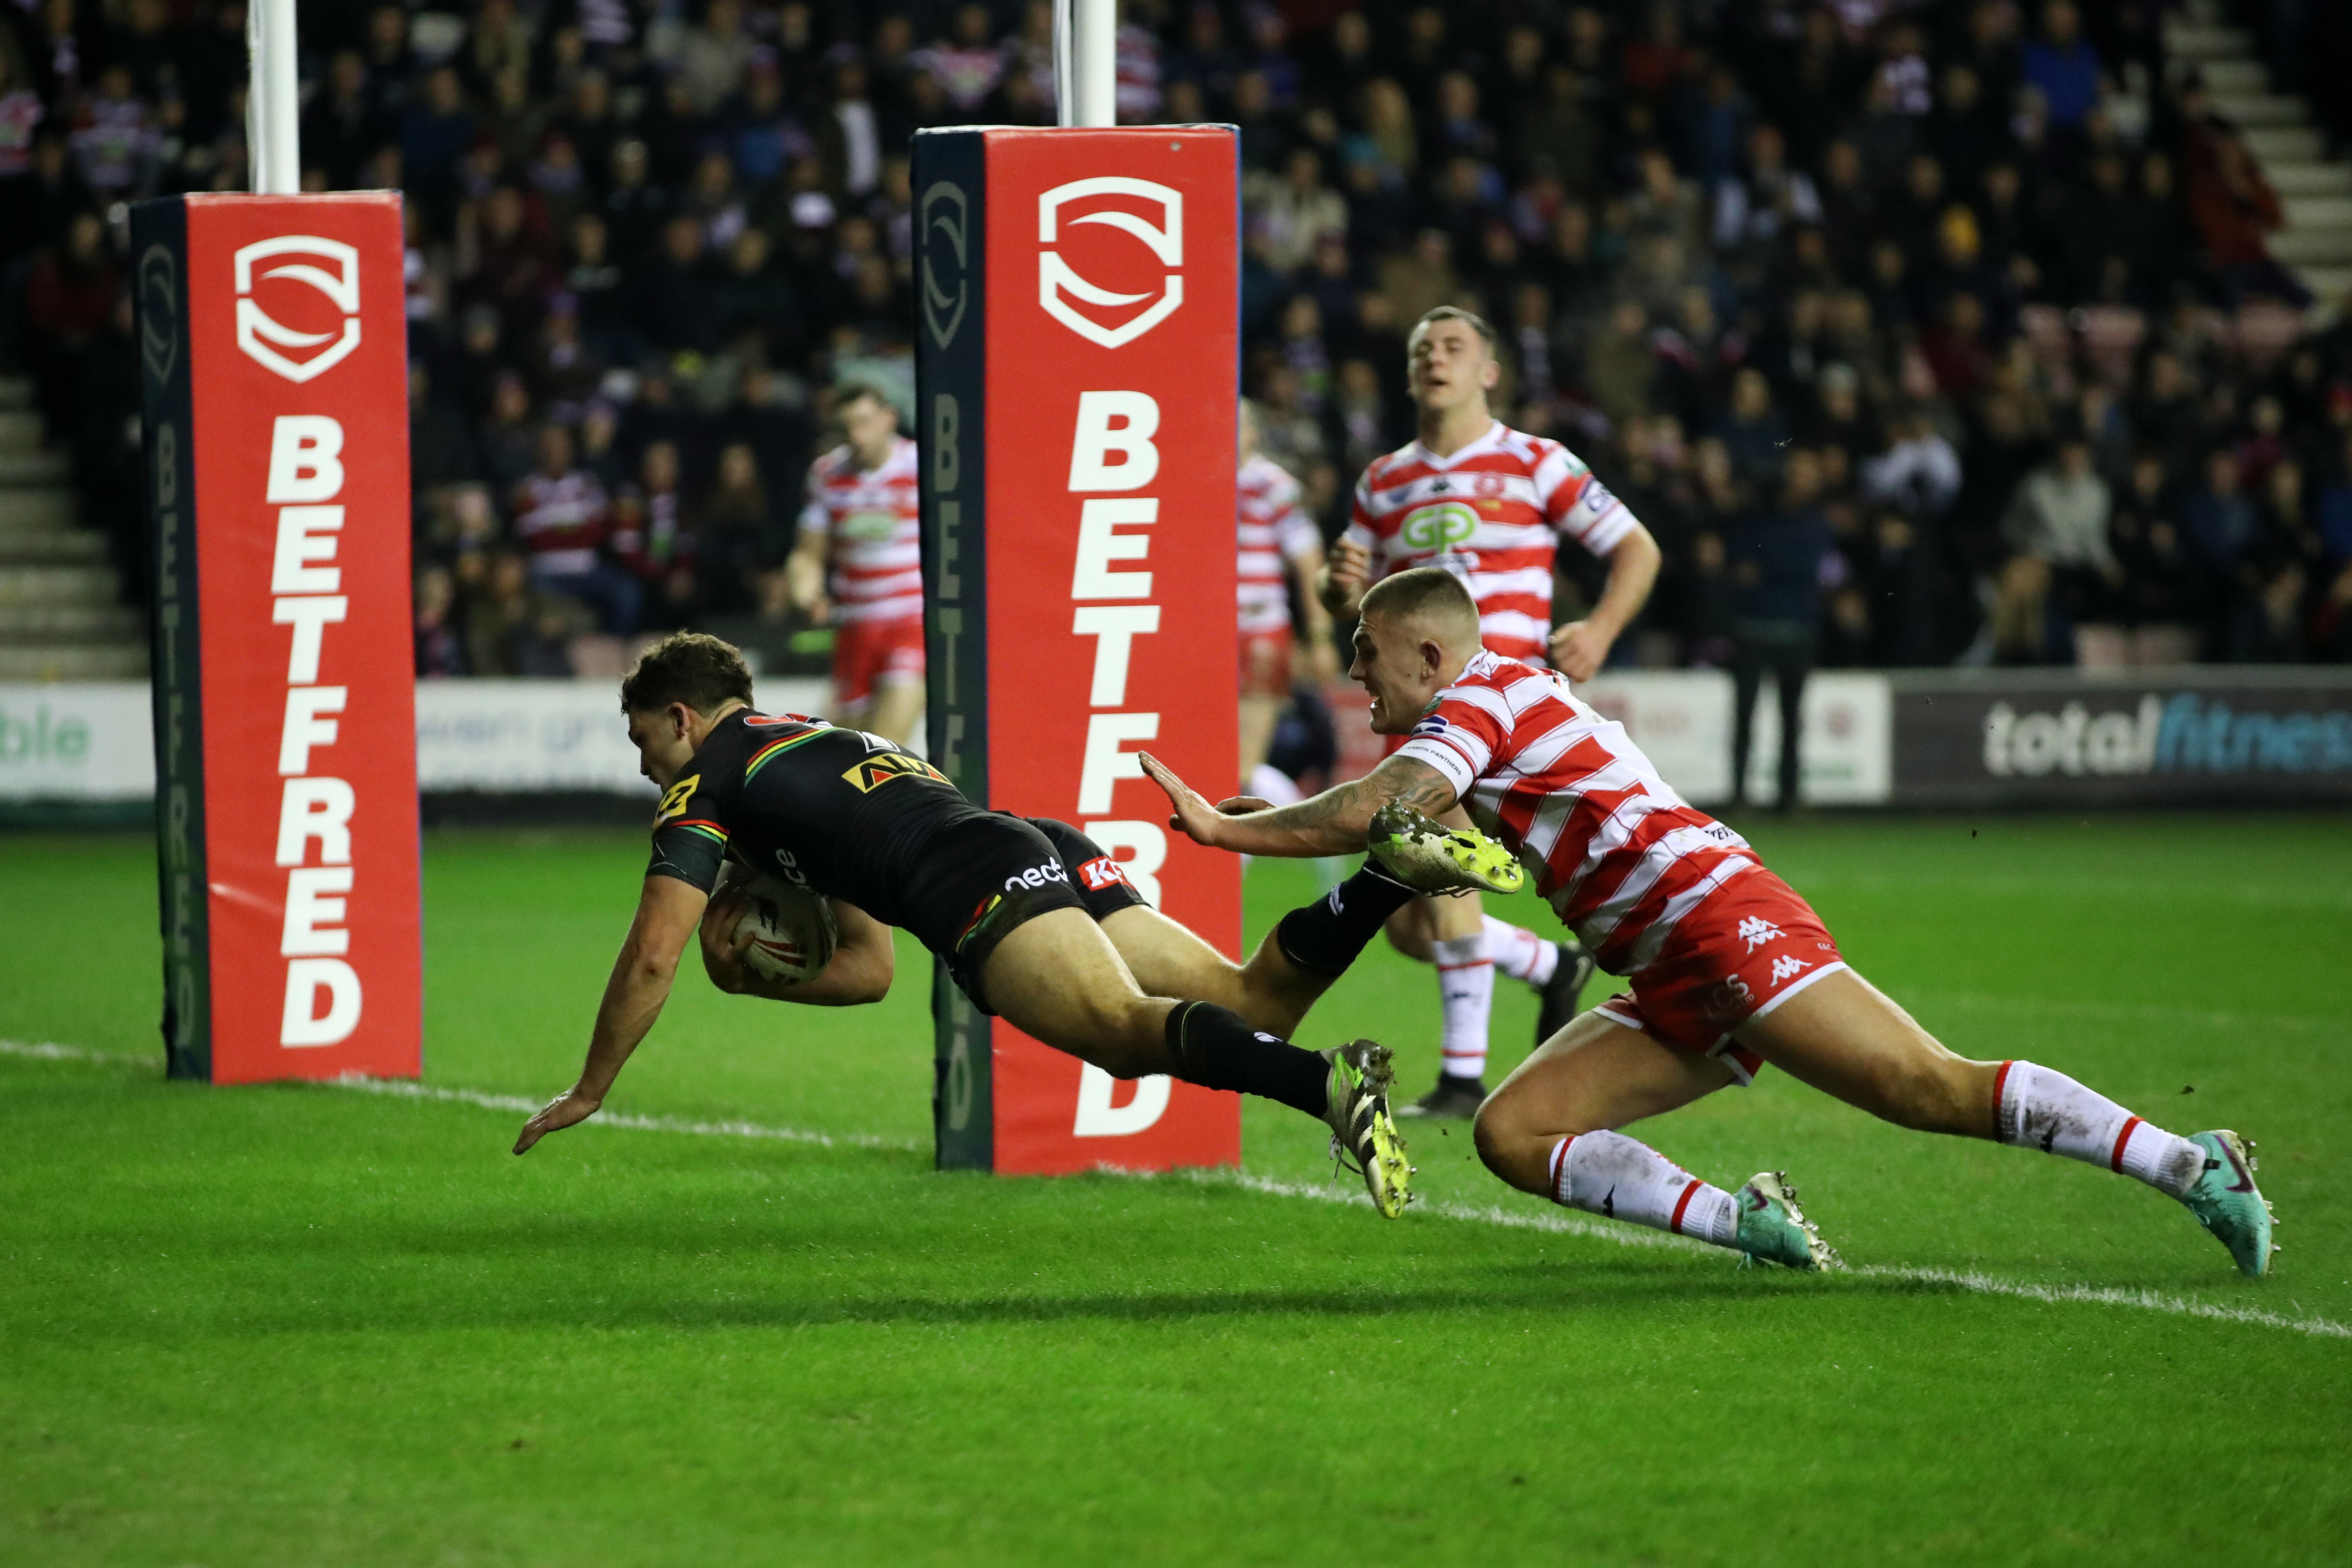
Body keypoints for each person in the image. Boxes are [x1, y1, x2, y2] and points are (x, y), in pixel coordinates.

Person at [1142, 567, 2275, 1278]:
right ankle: (1753, 1225)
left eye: (1368, 660)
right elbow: (1390, 815)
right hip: (1665, 961)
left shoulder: (1479, 695)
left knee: (1924, 1087)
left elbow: (1387, 805)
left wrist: (1227, 828)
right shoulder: (1491, 705)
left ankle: (2195, 1162)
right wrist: (1290, 816)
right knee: (1513, 1134)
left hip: (1716, 919)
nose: (1357, 680)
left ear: (1431, 654)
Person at [511, 633, 1414, 1219]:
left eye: (645, 744)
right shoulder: (812, 751)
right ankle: (1386, 874)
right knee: (1251, 1003)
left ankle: (1329, 1089)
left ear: (681, 718)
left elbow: (650, 955)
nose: (645, 770)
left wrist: (591, 1085)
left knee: (1126, 1035)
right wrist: (755, 971)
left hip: (972, 881)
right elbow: (870, 970)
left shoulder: (704, 781)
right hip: (1031, 840)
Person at [1318, 306, 1663, 1118]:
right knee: (1408, 921)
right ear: (1409, 374)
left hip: (1502, 706)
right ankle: (1548, 969)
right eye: (1422, 351)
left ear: (1489, 372)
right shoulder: (1383, 481)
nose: (1435, 359)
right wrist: (1338, 595)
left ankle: (1466, 1079)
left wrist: (1602, 628)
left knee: (1445, 888)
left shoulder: (1538, 463)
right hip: (1420, 713)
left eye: (1453, 348)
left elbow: (1635, 547)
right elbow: (1357, 602)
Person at [786, 383, 926, 744]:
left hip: (910, 620)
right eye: (847, 426)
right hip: (856, 625)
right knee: (852, 744)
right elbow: (808, 553)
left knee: (889, 743)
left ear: (889, 419)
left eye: (864, 423)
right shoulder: (829, 474)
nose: (856, 435)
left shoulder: (920, 465)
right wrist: (808, 592)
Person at [1236, 401, 1338, 795]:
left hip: (1261, 627)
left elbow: (1308, 559)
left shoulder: (1274, 485)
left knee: (1247, 751)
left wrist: (1320, 635)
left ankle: (1233, 851)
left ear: (1255, 433)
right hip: (1204, 637)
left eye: (1239, 424)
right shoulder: (1195, 479)